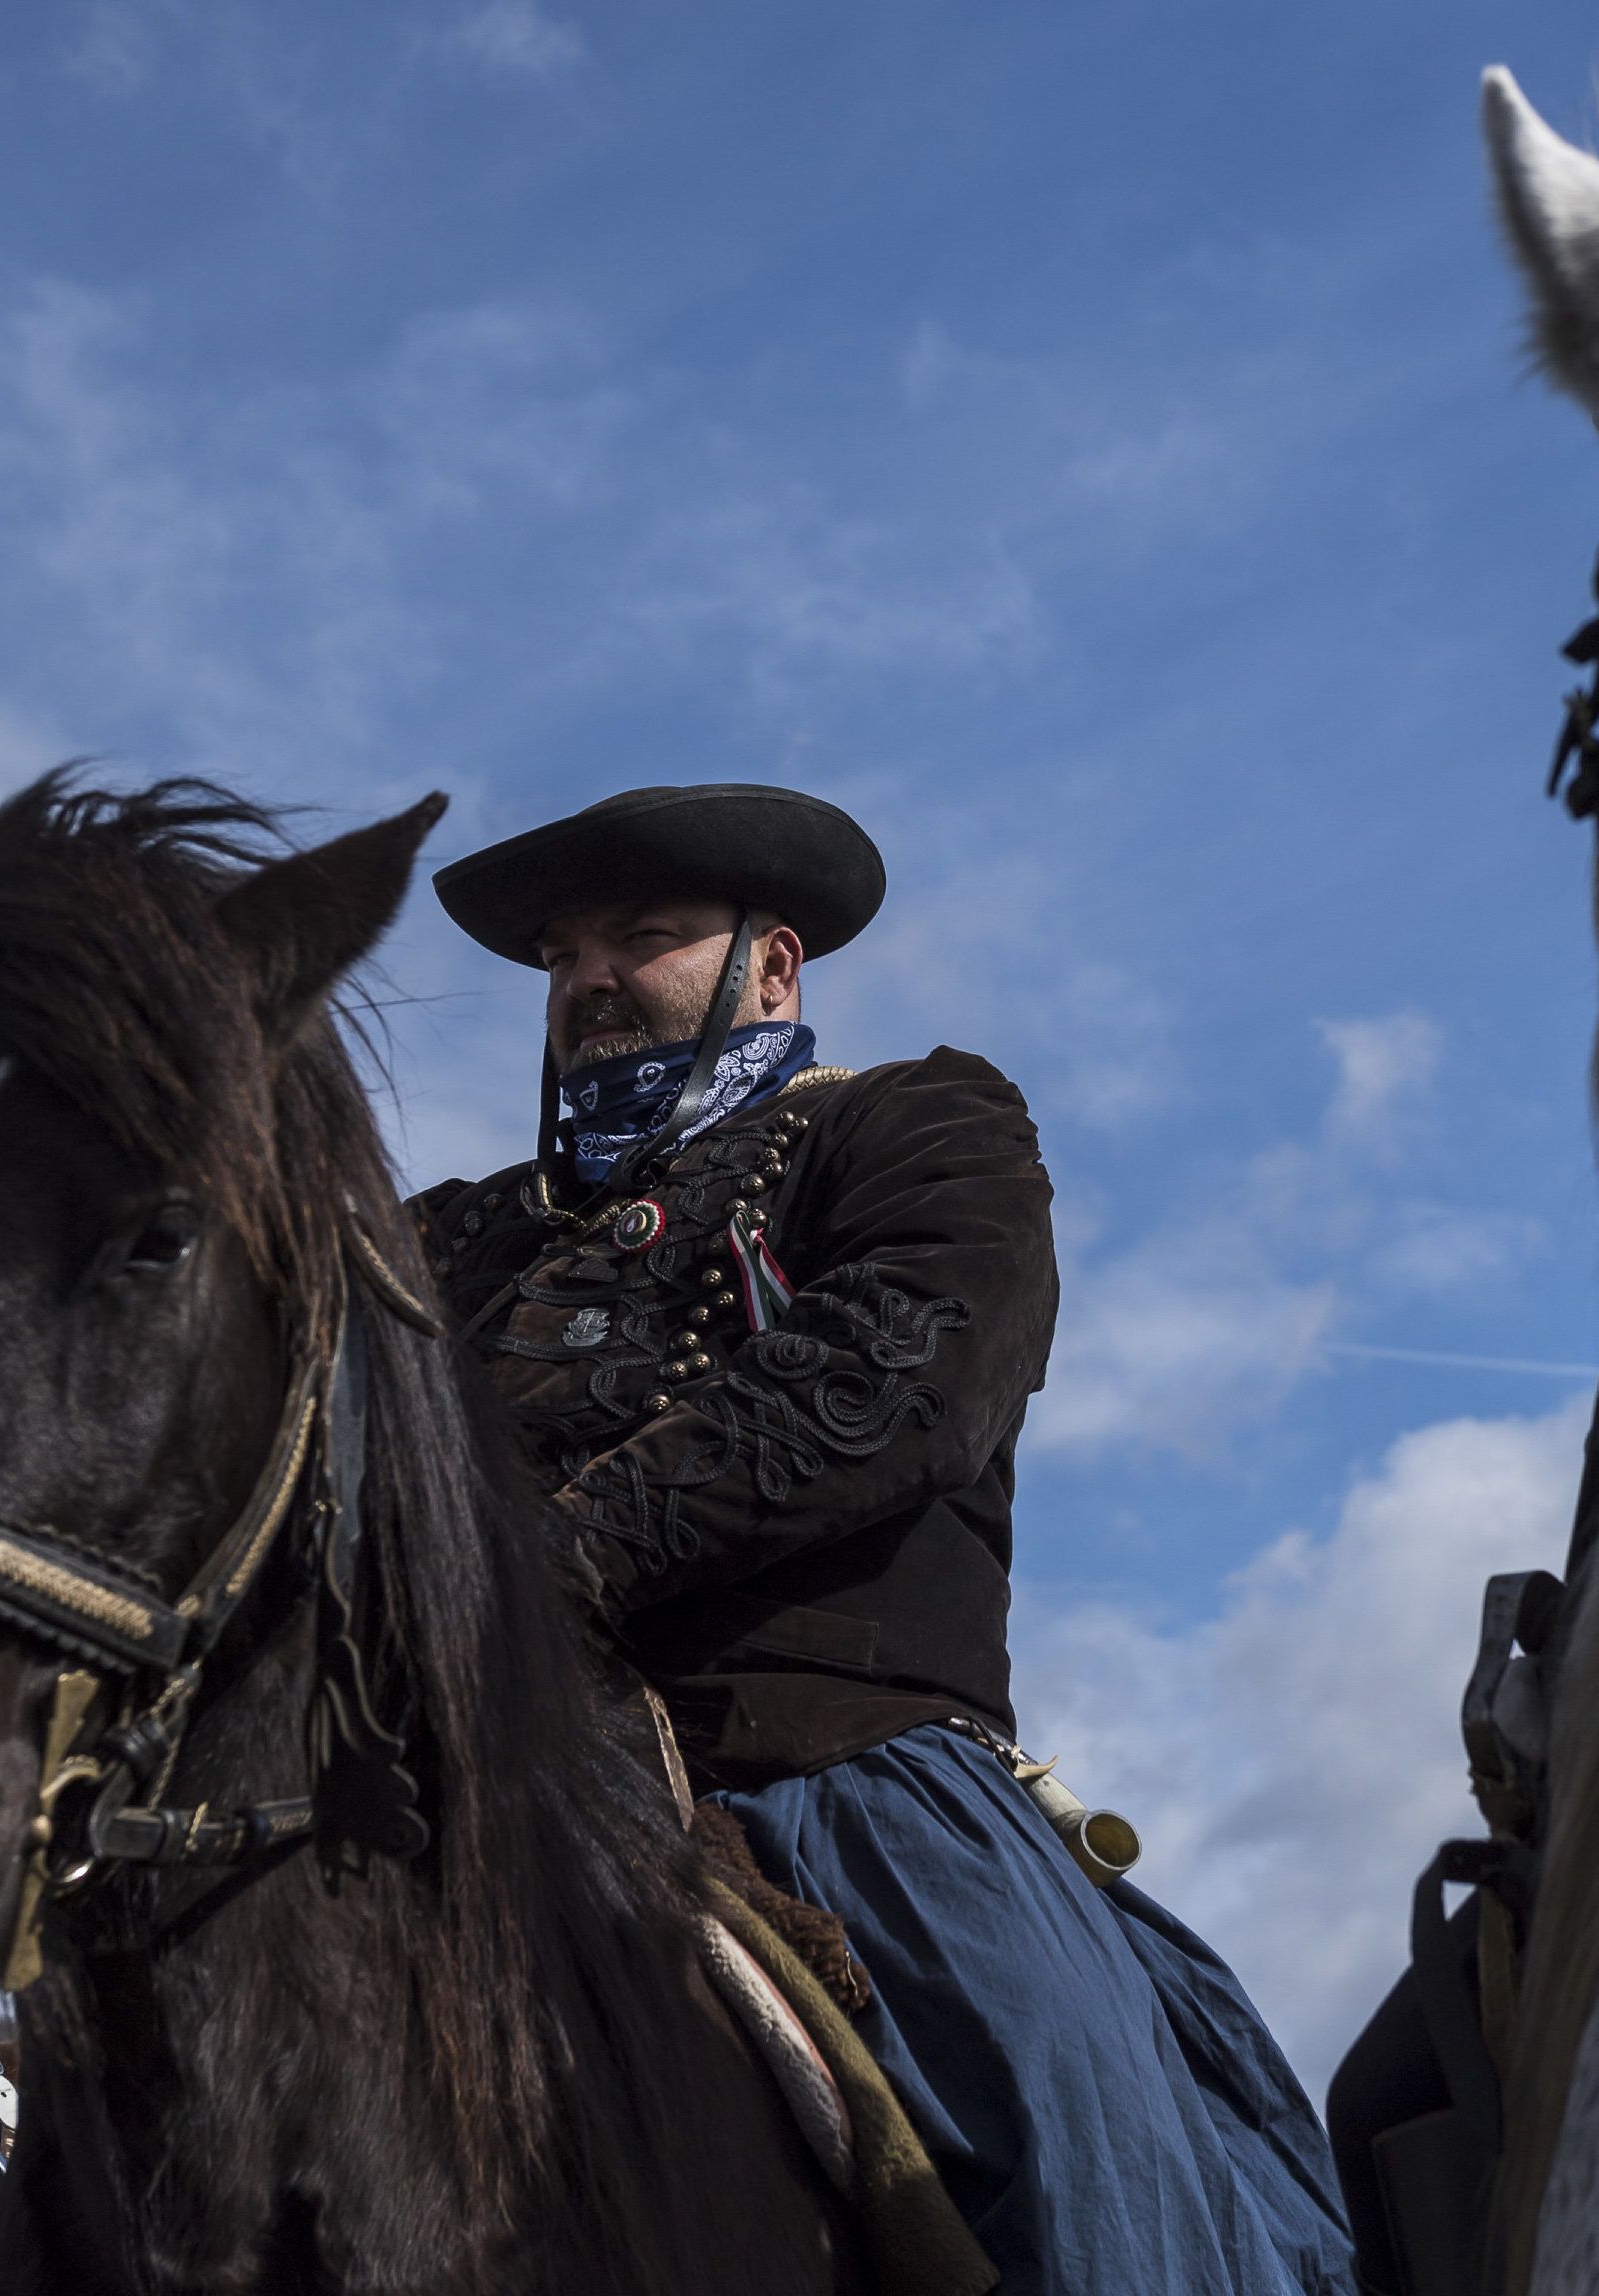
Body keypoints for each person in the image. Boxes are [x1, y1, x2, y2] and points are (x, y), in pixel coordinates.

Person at [408, 783, 1357, 2296]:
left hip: (830, 1778)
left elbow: (894, 1378)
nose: (588, 980)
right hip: (464, 1779)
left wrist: (533, 1571)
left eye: (640, 939)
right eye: (562, 957)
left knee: (1057, 2121)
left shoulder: (912, 1124)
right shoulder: (450, 1238)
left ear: (771, 969)